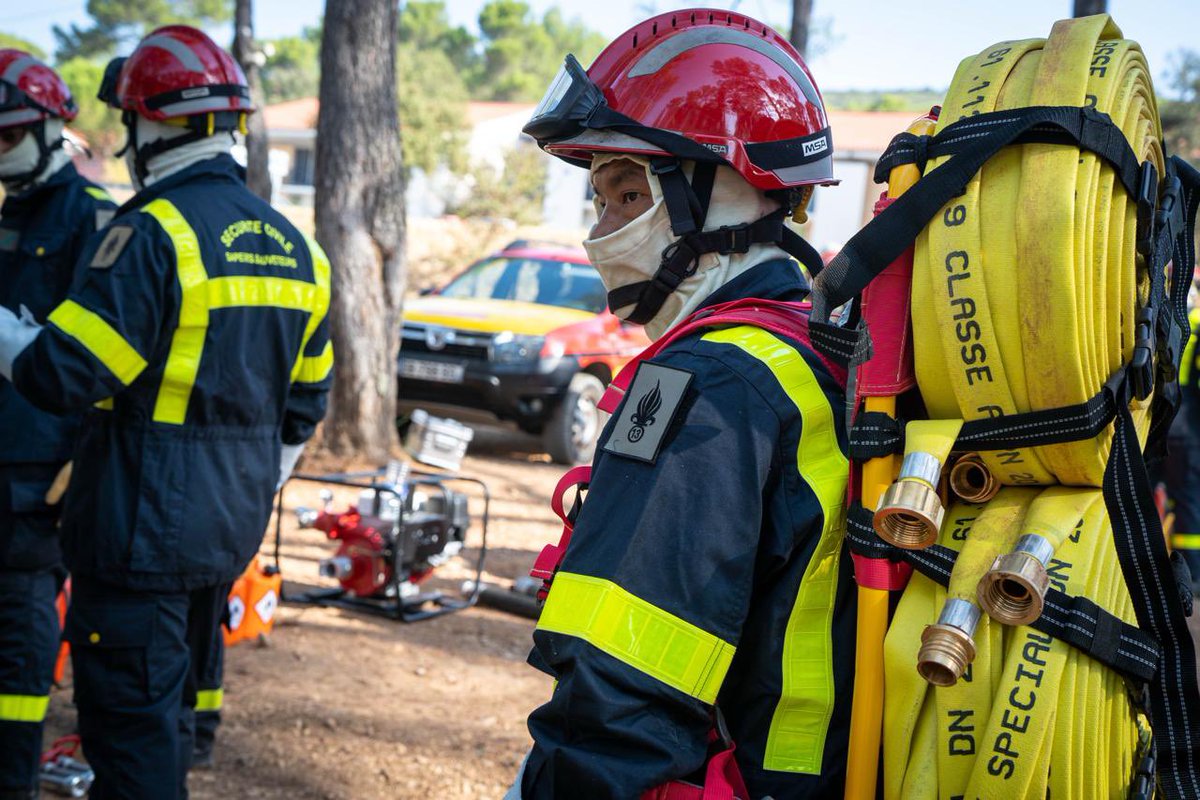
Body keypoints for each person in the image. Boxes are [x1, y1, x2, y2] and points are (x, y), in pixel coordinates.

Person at [512, 10, 855, 799]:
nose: (603, 230)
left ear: (724, 196)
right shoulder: (813, 349)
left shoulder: (701, 385)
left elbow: (620, 691)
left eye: (628, 192)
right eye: (600, 198)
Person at [0, 25, 332, 798]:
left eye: (131, 124)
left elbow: (64, 373)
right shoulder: (301, 250)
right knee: (170, 715)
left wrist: (10, 334)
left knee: (129, 736)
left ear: (156, 125)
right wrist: (245, 487)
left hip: (134, 535)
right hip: (224, 533)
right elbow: (305, 406)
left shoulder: (151, 233)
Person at [0, 49, 116, 800]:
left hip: (41, 478)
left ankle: (10, 775)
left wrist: (73, 474)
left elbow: (94, 365)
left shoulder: (93, 221)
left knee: (19, 635)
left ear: (49, 129)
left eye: (7, 137)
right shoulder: (12, 214)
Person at [1164, 302, 1200, 591]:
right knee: (1189, 499)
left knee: (1181, 497)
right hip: (1189, 429)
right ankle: (1194, 573)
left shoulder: (1189, 318)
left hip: (1175, 422)